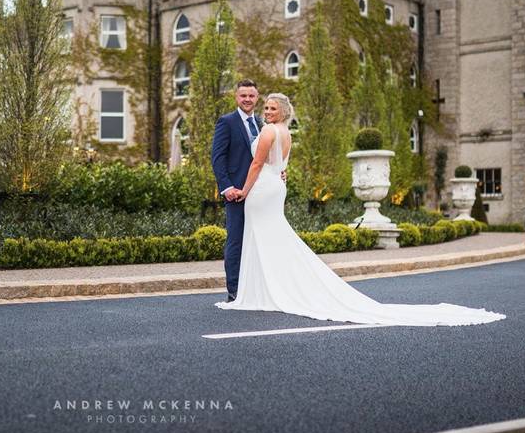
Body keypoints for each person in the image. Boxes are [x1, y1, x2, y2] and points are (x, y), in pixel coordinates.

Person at [215, 93, 506, 327]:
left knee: (263, 239)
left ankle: (265, 291)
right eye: (265, 107)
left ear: (283, 111)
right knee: (273, 239)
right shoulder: (285, 133)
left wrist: (244, 189)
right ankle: (268, 289)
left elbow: (256, 164)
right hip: (275, 188)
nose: (266, 111)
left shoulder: (267, 131)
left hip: (262, 189)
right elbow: (280, 166)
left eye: (272, 107)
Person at [211, 80, 265, 302]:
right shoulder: (227, 122)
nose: (247, 100)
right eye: (243, 95)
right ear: (236, 97)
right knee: (236, 241)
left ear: (257, 97)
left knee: (259, 241)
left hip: (261, 192)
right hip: (237, 193)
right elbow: (217, 158)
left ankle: (255, 289)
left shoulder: (262, 124)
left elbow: (265, 159)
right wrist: (227, 187)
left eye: (251, 96)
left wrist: (279, 173)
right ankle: (234, 292)